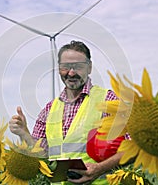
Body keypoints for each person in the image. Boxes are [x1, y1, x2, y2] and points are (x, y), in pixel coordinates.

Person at [9, 40, 125, 184]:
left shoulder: (108, 100)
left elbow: (132, 147)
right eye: (65, 67)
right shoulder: (49, 110)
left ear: (89, 68)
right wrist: (24, 133)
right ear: (59, 69)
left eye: (78, 67)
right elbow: (43, 156)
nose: (71, 73)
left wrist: (100, 168)